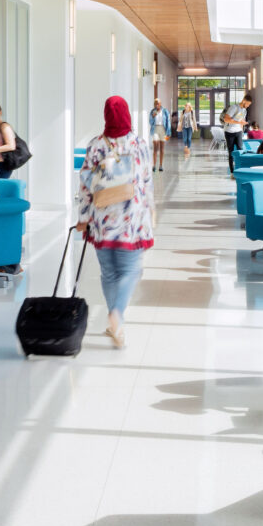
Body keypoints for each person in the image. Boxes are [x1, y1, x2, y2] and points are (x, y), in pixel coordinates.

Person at [75, 93, 154, 350]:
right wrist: (151, 211)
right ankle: (117, 314)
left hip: (102, 220)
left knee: (108, 273)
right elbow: (146, 182)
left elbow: (85, 185)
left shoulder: (95, 145)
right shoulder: (139, 144)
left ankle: (114, 322)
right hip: (131, 221)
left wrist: (83, 218)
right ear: (127, 114)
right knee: (131, 270)